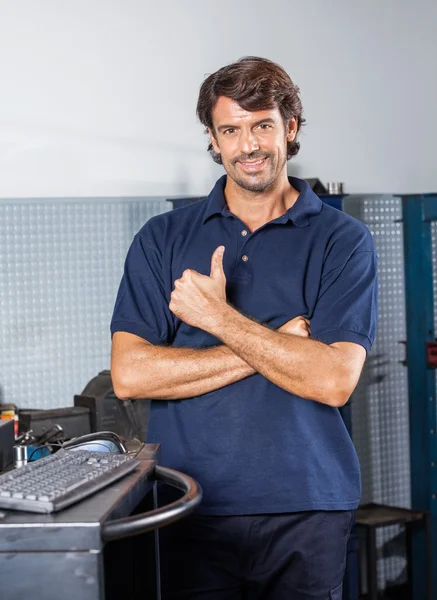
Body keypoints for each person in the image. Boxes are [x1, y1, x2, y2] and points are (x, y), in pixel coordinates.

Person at [110, 56, 377, 600]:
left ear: (291, 128)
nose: (248, 145)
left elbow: (332, 381)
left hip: (308, 505)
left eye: (263, 125)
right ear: (213, 139)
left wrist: (217, 319)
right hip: (190, 502)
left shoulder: (342, 240)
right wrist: (280, 345)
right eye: (230, 130)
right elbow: (130, 375)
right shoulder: (162, 238)